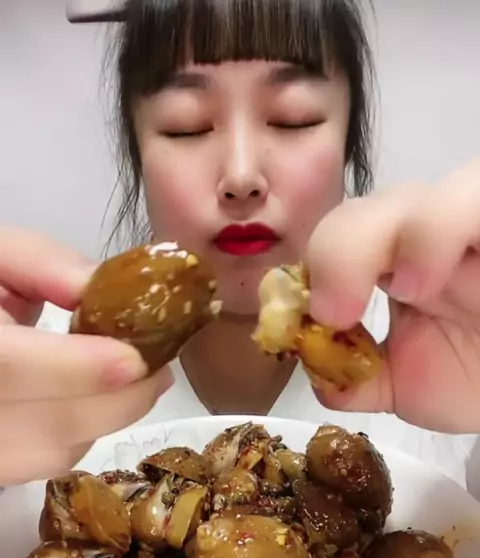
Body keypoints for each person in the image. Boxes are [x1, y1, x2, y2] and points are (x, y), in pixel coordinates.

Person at [2, 0, 480, 488]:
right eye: (185, 125)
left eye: (294, 118)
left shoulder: (448, 334)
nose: (241, 175)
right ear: (139, 156)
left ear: (347, 146)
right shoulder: (34, 359)